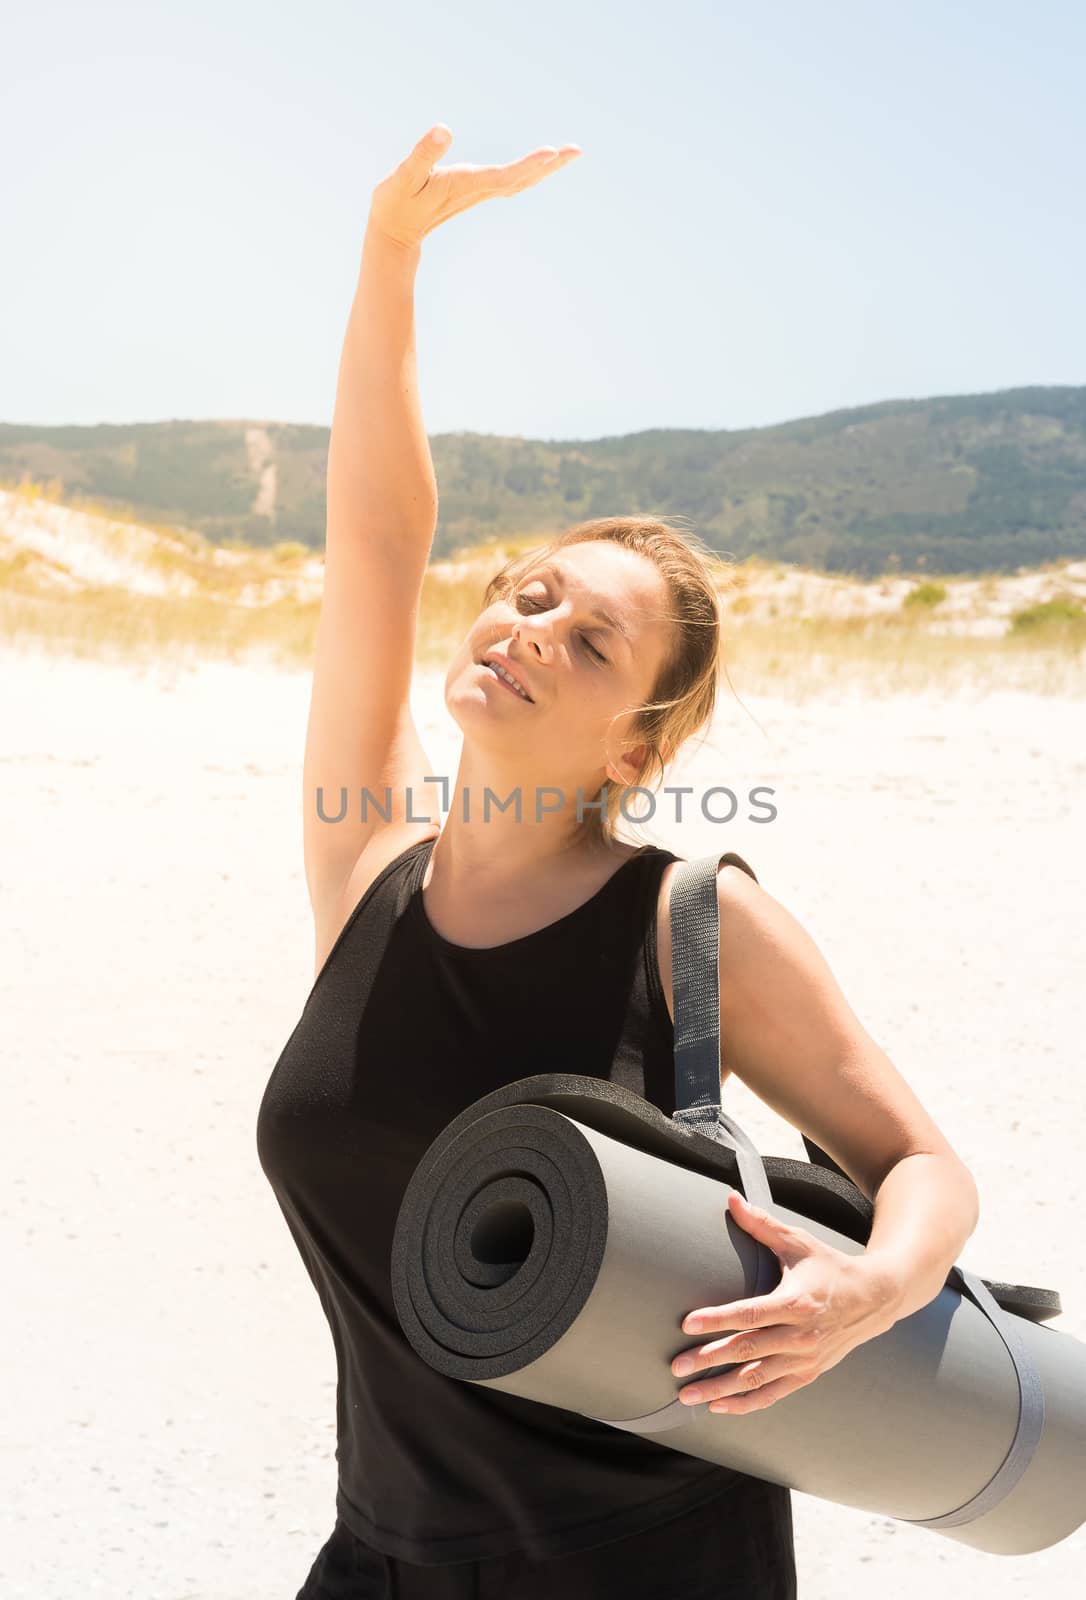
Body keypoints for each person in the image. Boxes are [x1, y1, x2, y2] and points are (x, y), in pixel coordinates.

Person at [256, 125, 981, 1599]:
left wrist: (871, 1288)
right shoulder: (363, 864)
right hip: (384, 1556)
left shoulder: (684, 924)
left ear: (634, 750)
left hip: (646, 1561)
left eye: (590, 641)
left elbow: (918, 1165)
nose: (528, 628)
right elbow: (377, 543)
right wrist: (389, 255)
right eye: (527, 596)